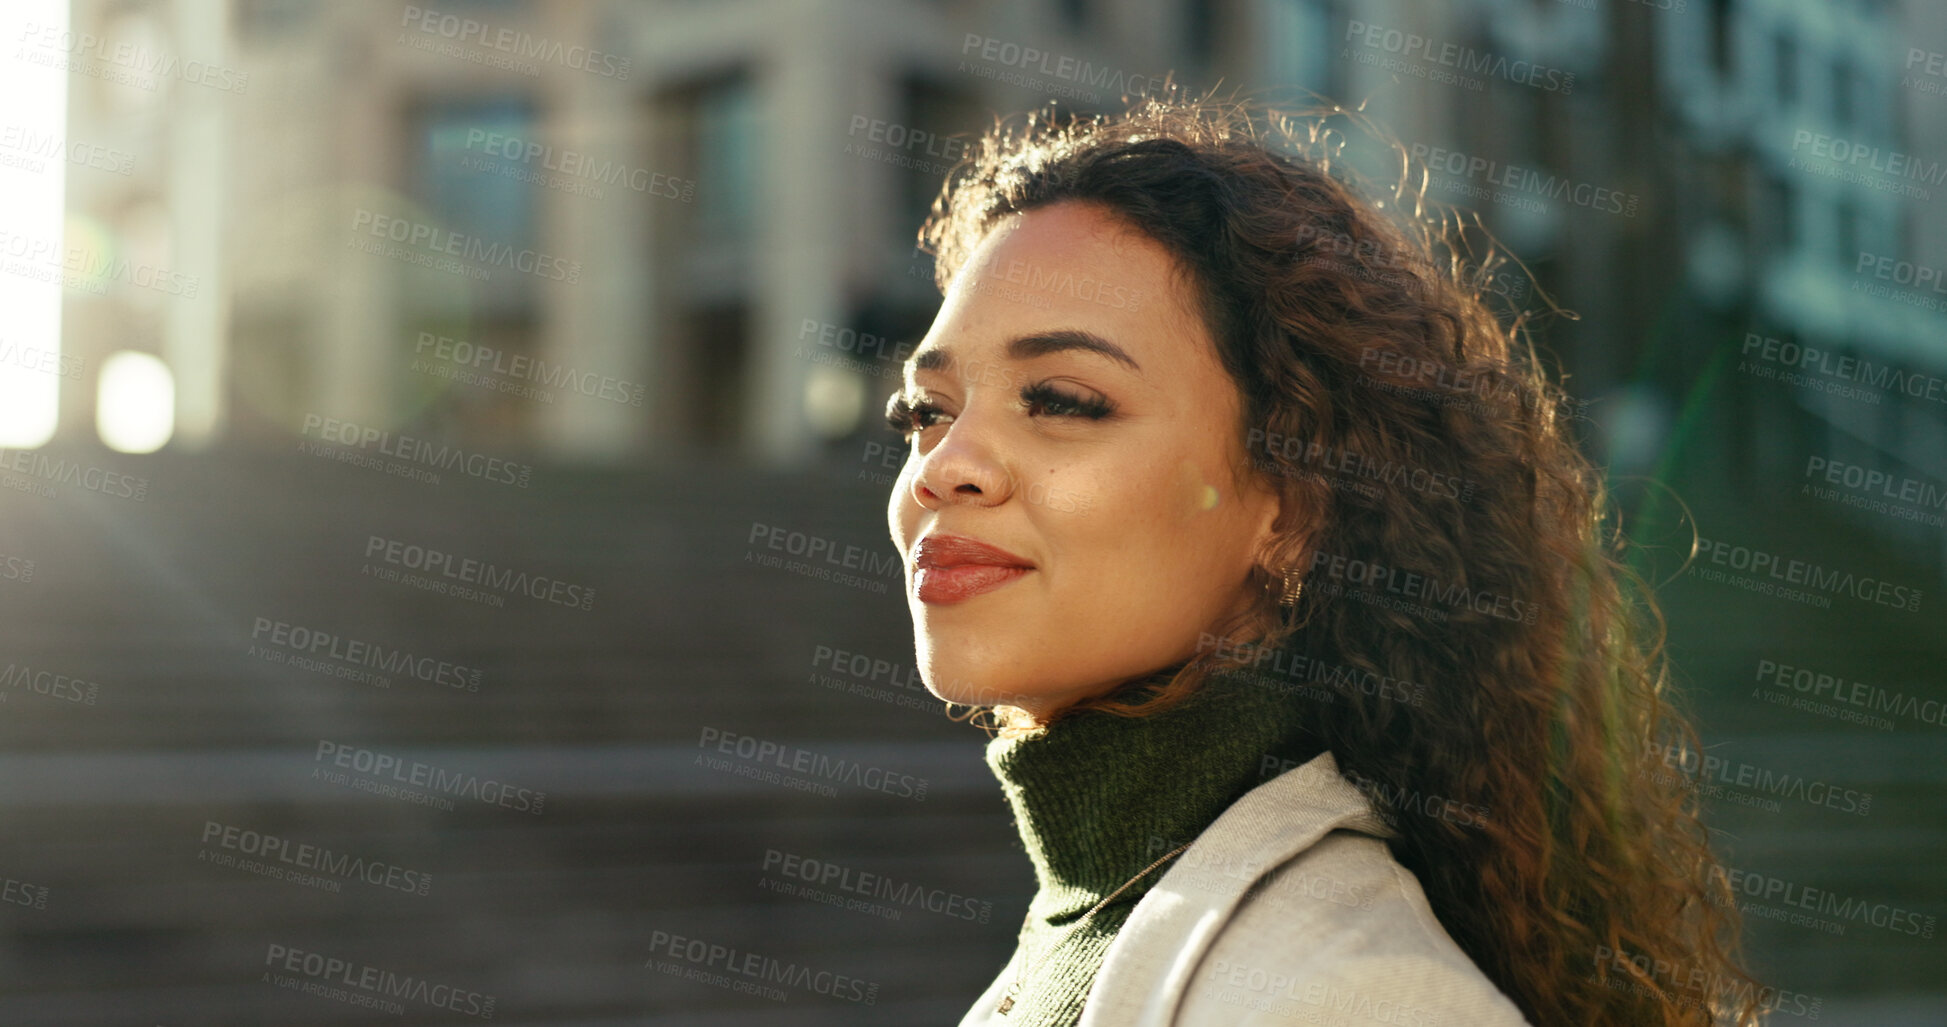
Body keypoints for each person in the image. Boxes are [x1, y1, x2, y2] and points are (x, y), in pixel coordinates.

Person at [882, 93, 1762, 1026]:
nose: (944, 466)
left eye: (1061, 398)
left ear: (1292, 507)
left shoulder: (1351, 995)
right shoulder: (1088, 911)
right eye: (924, 412)